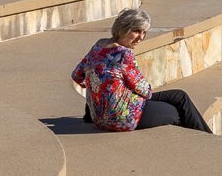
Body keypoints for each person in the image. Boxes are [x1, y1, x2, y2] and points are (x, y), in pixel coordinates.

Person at [72, 8, 212, 132]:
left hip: (98, 116)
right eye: (137, 31)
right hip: (121, 118)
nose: (141, 37)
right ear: (123, 29)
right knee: (177, 111)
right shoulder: (123, 53)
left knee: (179, 96)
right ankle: (209, 140)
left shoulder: (98, 45)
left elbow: (77, 75)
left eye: (144, 32)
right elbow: (145, 91)